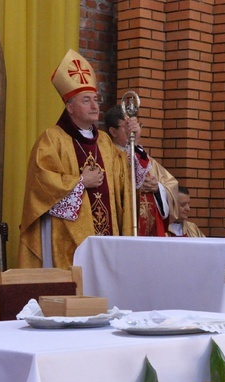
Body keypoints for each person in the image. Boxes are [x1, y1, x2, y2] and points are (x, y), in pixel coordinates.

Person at [19, 49, 135, 268]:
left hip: (107, 238)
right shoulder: (52, 139)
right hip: (65, 238)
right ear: (70, 108)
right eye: (86, 100)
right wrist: (80, 183)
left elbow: (125, 180)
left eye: (95, 100)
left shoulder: (104, 142)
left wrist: (131, 142)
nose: (94, 106)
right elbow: (41, 185)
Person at [104, 106, 179, 236]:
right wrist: (134, 187)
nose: (134, 130)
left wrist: (158, 189)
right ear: (113, 131)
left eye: (136, 125)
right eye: (128, 127)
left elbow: (172, 185)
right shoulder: (108, 157)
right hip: (124, 227)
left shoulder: (144, 158)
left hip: (152, 230)